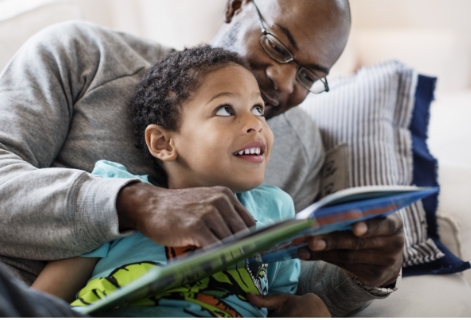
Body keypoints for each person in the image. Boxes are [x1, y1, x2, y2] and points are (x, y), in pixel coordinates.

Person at [0, 0, 403, 317]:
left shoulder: (298, 142)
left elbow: (289, 283)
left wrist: (365, 276)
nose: (283, 85)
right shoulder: (86, 54)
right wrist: (133, 203)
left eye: (308, 76)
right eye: (277, 45)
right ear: (237, 5)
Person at [31, 44, 331, 317]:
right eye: (225, 109)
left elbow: (277, 305)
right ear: (163, 142)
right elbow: (39, 303)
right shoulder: (117, 196)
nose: (255, 124)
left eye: (258, 109)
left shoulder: (275, 210)